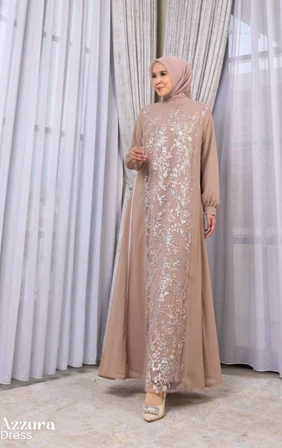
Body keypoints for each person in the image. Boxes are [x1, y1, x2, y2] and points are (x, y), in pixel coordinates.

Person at [98, 55, 222, 422]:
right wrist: (132, 157)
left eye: (163, 73)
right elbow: (135, 159)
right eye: (153, 75)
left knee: (174, 287)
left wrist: (210, 206)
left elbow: (209, 163)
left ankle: (163, 378)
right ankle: (152, 377)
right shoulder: (147, 115)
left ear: (180, 75)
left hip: (183, 213)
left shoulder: (200, 114)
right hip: (148, 210)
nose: (157, 80)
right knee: (150, 287)